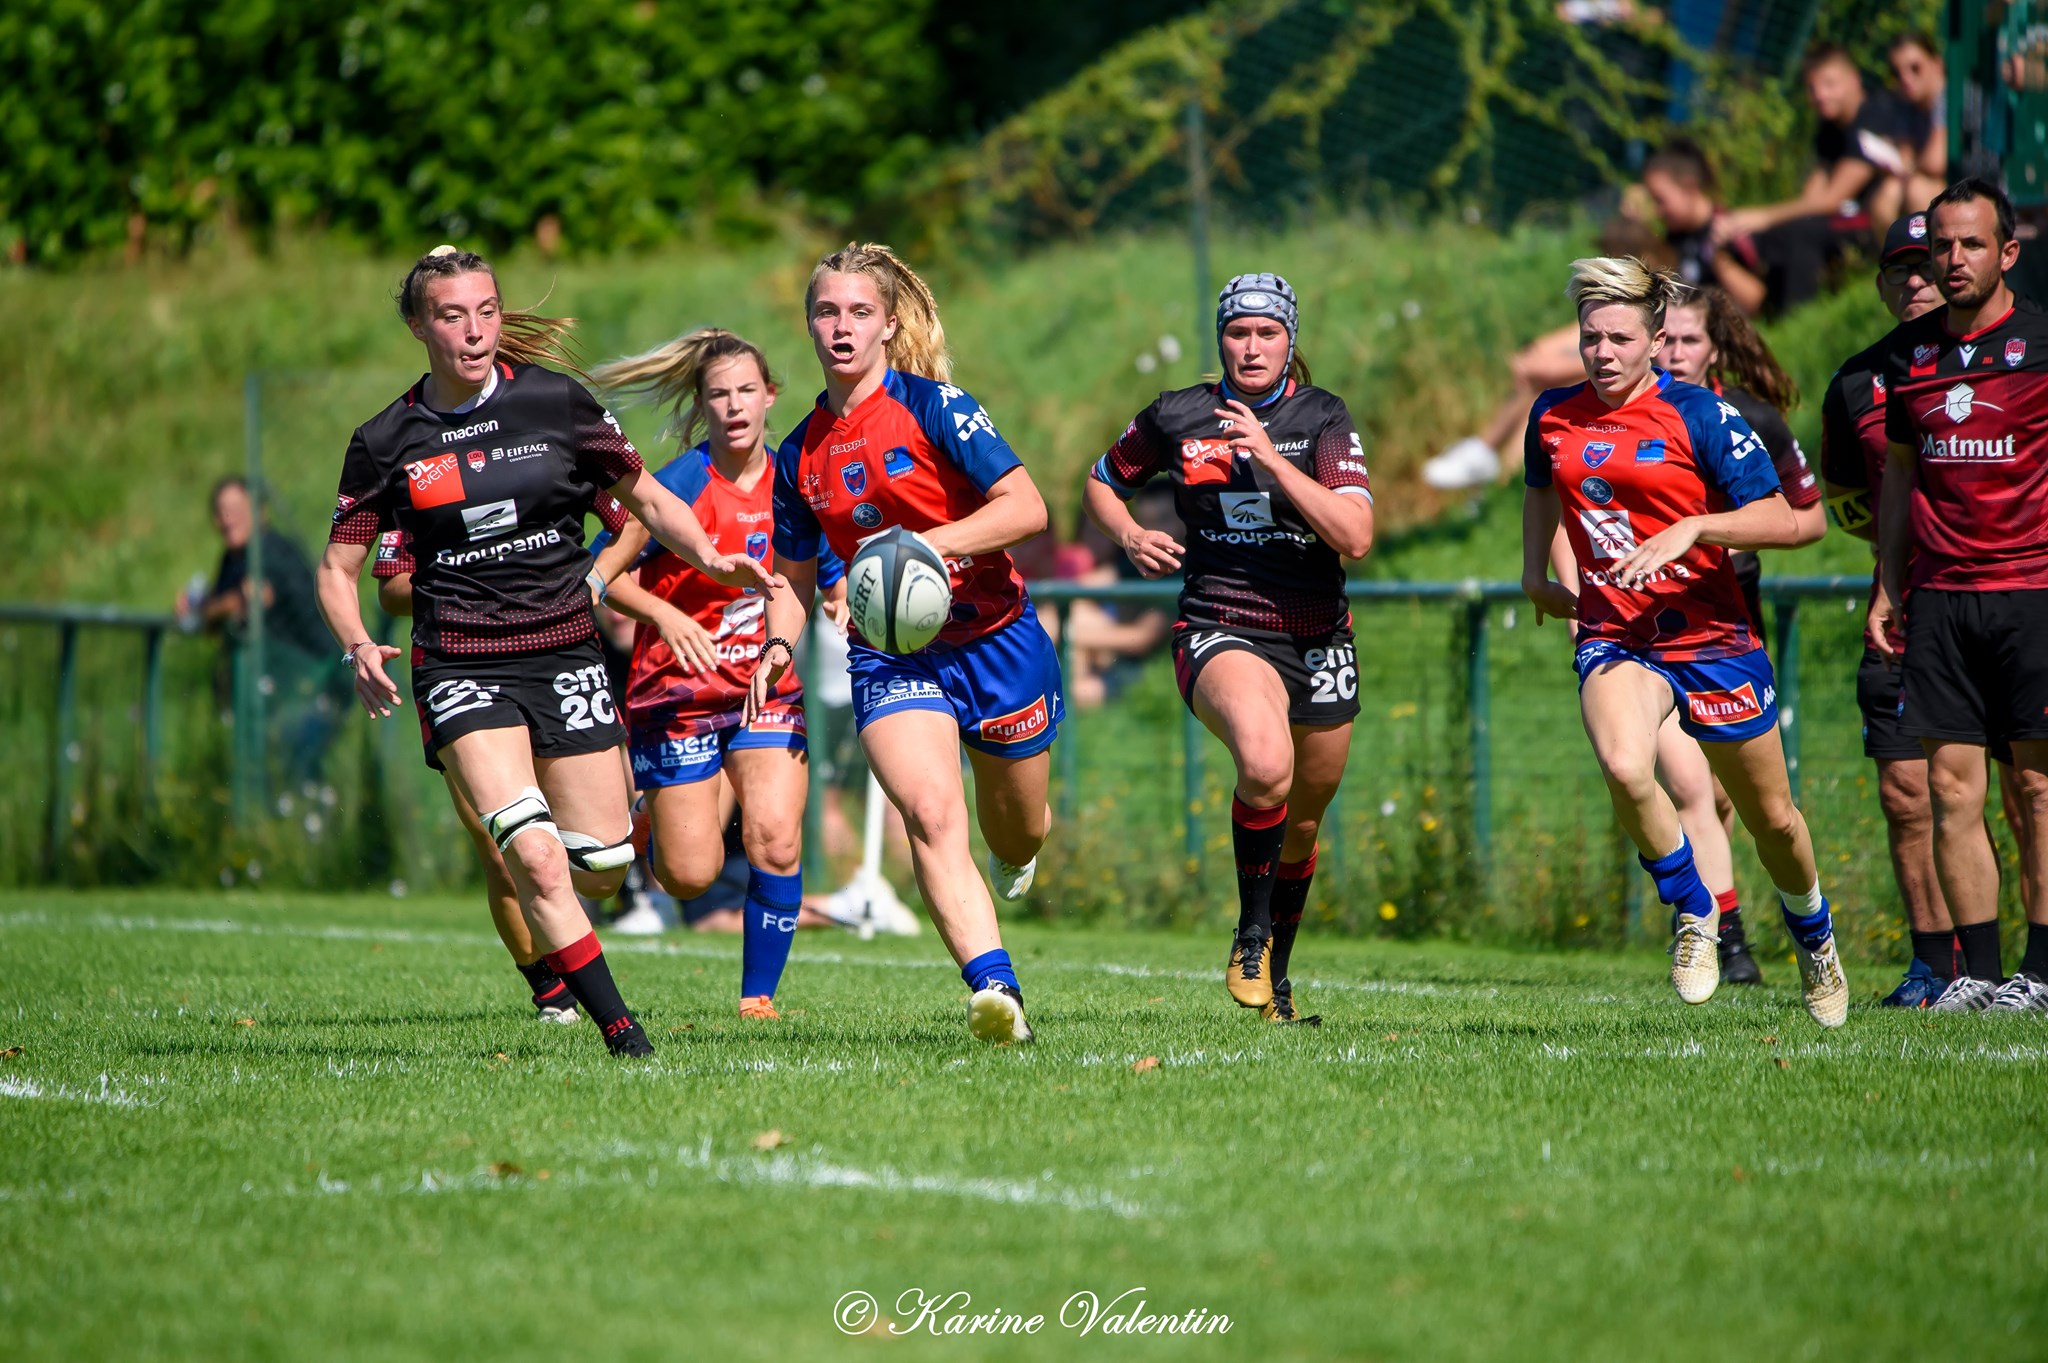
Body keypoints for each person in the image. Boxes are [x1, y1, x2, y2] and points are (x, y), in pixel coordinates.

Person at [316, 244, 777, 1058]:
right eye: (452, 315)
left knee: (599, 862)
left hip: (565, 654)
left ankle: (578, 891)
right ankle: (623, 1038)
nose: (474, 330)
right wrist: (357, 641)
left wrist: (708, 556)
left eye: (487, 311)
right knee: (531, 854)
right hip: (460, 665)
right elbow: (339, 567)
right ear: (419, 325)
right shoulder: (388, 438)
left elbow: (647, 500)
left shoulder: (557, 404)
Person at [1521, 254, 1849, 1028]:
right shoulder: (1553, 414)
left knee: (1773, 820)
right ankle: (1694, 909)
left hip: (1711, 635)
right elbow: (1543, 487)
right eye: (1590, 336)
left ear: (1655, 337)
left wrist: (1696, 526)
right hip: (1616, 630)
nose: (1601, 352)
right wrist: (1534, 572)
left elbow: (1783, 520)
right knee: (1625, 764)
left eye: (1619, 339)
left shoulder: (1701, 414)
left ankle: (1816, 934)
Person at [750, 242, 1063, 1045]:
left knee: (1018, 830)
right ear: (809, 324)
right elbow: (787, 577)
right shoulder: (799, 454)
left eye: (859, 311)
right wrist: (777, 649)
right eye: (827, 312)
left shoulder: (937, 407)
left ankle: (1017, 849)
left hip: (995, 637)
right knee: (929, 811)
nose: (842, 327)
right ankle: (999, 993)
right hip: (892, 655)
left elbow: (1027, 508)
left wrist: (933, 546)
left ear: (889, 324)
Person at [1084, 273, 1374, 1024]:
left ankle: (1276, 981)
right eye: (1238, 332)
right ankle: (1250, 935)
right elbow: (1100, 479)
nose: (1251, 346)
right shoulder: (1180, 413)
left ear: (1290, 341)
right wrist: (1128, 532)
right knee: (1265, 764)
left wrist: (1275, 464)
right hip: (1221, 621)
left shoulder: (1323, 417)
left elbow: (1356, 536)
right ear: (1221, 338)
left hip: (1316, 634)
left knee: (1302, 821)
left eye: (1267, 333)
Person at [586, 326, 847, 1017]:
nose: (734, 406)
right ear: (702, 407)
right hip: (675, 689)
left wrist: (840, 589)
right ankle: (646, 819)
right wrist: (666, 617)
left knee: (776, 835)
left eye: (745, 391)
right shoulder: (676, 485)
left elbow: (822, 558)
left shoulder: (798, 477)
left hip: (766, 683)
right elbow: (603, 575)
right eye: (718, 395)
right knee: (689, 873)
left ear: (770, 397)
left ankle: (758, 996)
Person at [1868, 178, 2048, 1014]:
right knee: (1949, 788)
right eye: (1942, 245)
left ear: (2007, 251)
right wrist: (1886, 583)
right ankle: (1975, 974)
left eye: (1972, 244)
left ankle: (2039, 973)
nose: (1953, 259)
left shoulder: (2042, 343)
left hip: (2031, 591)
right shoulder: (1909, 359)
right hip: (1939, 597)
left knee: (2040, 788)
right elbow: (1900, 475)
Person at [371, 529, 585, 1026]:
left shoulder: (532, 457)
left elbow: (630, 513)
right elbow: (390, 590)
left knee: (587, 843)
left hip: (547, 661)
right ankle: (550, 991)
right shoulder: (416, 469)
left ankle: (589, 937)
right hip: (458, 672)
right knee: (501, 847)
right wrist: (470, 581)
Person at [179, 476, 347, 778]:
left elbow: (248, 599)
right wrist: (204, 609)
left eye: (234, 509)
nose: (227, 519)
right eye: (220, 511)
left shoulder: (269, 551)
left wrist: (203, 610)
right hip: (280, 688)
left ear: (259, 513)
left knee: (290, 771)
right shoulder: (234, 558)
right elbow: (219, 614)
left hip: (317, 682)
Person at [1710, 45, 1911, 290]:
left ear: (1853, 80)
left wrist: (1761, 217)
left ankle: (1795, 313)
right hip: (1848, 217)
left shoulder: (1874, 116)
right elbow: (1811, 198)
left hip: (1874, 221)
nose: (1820, 95)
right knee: (1785, 232)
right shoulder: (1829, 129)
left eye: (1829, 84)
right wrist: (1756, 224)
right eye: (1813, 88)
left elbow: (1833, 199)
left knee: (1804, 233)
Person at [1642, 139, 1795, 317]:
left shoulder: (1731, 232)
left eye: (1660, 200)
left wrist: (1720, 260)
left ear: (1689, 187)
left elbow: (1756, 302)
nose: (1656, 210)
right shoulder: (1671, 241)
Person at [1888, 32, 1948, 212]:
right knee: (1888, 192)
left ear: (1937, 64)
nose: (1905, 79)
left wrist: (1909, 166)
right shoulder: (1907, 104)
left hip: (1970, 187)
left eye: (1915, 68)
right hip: (1929, 182)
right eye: (1896, 73)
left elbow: (1935, 162)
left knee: (1917, 190)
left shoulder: (1947, 96)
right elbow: (1903, 155)